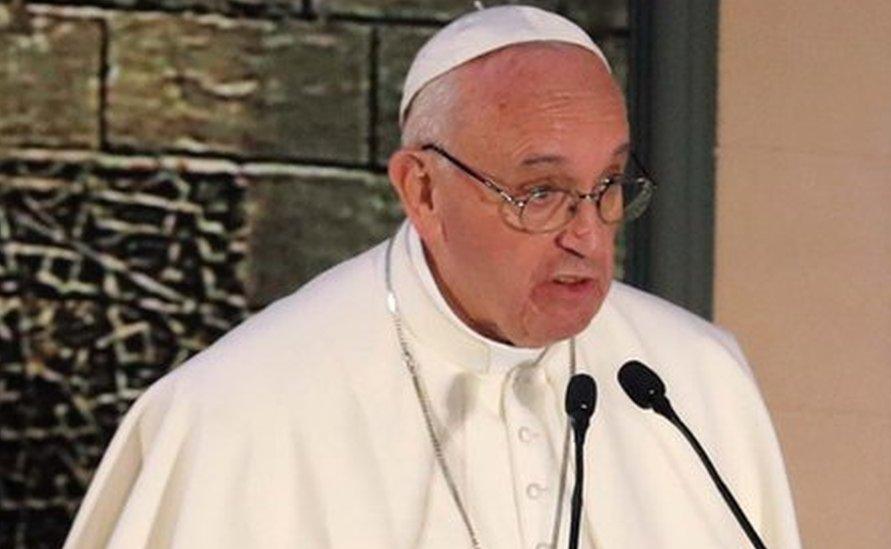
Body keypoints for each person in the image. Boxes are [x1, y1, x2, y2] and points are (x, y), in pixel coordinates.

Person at [65, 5, 801, 548]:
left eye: (608, 184)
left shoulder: (693, 382)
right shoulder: (241, 413)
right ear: (421, 190)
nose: (586, 232)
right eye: (540, 192)